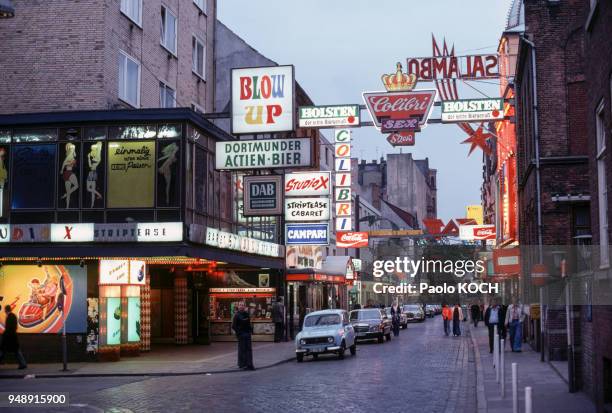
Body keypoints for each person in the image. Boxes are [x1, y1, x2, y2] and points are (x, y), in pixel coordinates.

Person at [0, 305, 27, 369]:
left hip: (9, 338)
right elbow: (14, 327)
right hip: (12, 337)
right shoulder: (13, 316)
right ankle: (23, 364)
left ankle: (23, 364)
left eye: (5, 310)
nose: (4, 311)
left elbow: (9, 328)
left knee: (3, 351)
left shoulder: (10, 316)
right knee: (16, 351)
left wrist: (4, 334)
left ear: (6, 310)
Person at [231, 302, 254, 370]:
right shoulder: (236, 315)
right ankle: (242, 364)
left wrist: (250, 331)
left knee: (249, 349)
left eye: (243, 305)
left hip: (247, 334)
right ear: (238, 306)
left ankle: (249, 364)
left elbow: (249, 324)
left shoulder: (246, 314)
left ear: (245, 306)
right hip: (241, 335)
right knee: (242, 350)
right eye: (240, 305)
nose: (242, 306)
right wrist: (239, 333)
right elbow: (233, 326)